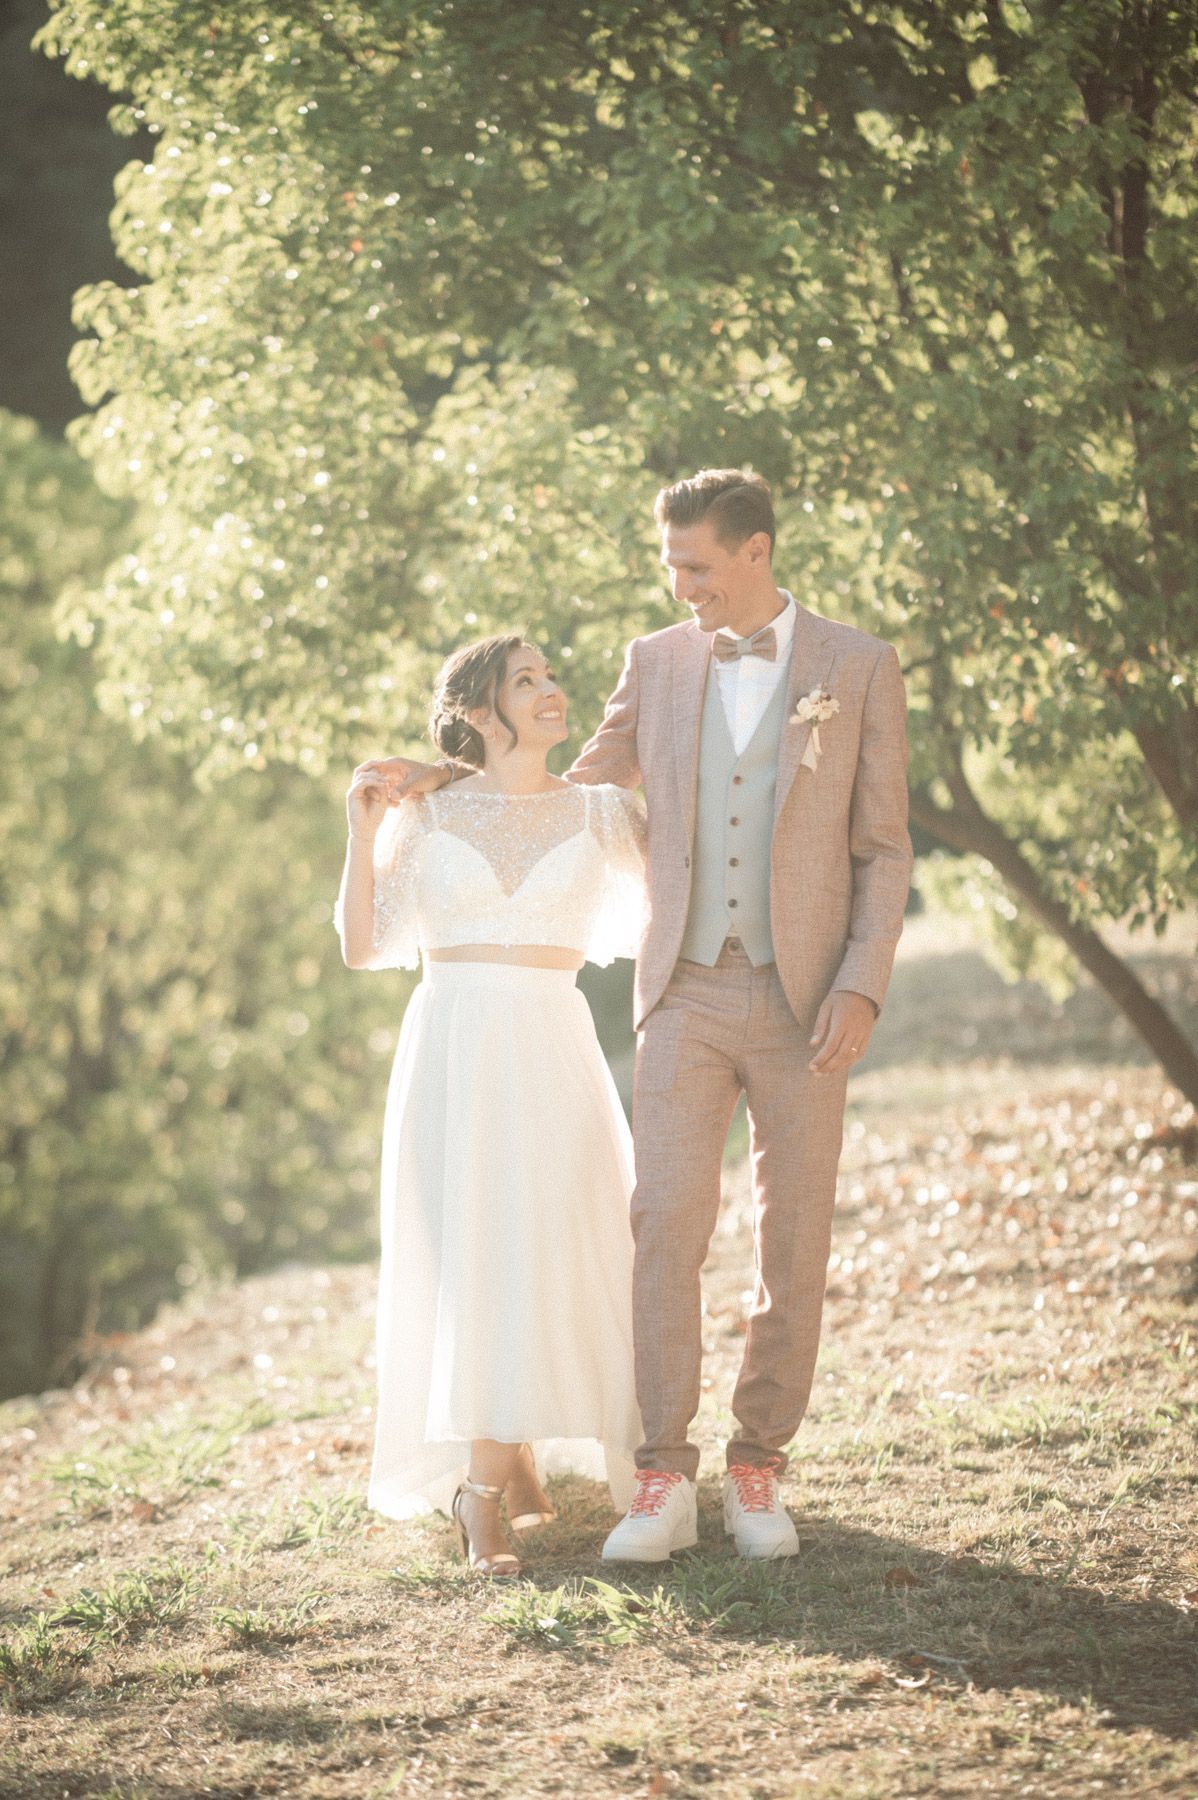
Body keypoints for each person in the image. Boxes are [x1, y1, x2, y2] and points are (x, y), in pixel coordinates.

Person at [375, 469, 913, 1563]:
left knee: (792, 1234)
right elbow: (569, 782)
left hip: (809, 996)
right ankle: (662, 1471)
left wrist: (860, 982)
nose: (680, 588)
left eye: (696, 568)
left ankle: (759, 1465)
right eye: (671, 567)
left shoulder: (857, 667)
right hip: (683, 991)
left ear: (755, 552)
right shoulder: (657, 661)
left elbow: (882, 846)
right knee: (661, 1221)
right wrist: (448, 774)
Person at [335, 633, 646, 1576]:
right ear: (477, 710)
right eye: (528, 682)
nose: (554, 692)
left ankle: (511, 1460)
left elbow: (682, 902)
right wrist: (361, 829)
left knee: (558, 1239)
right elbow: (360, 946)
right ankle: (480, 1494)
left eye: (552, 678)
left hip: (554, 1043)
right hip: (455, 1049)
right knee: (474, 1251)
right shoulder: (424, 819)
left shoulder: (602, 814)